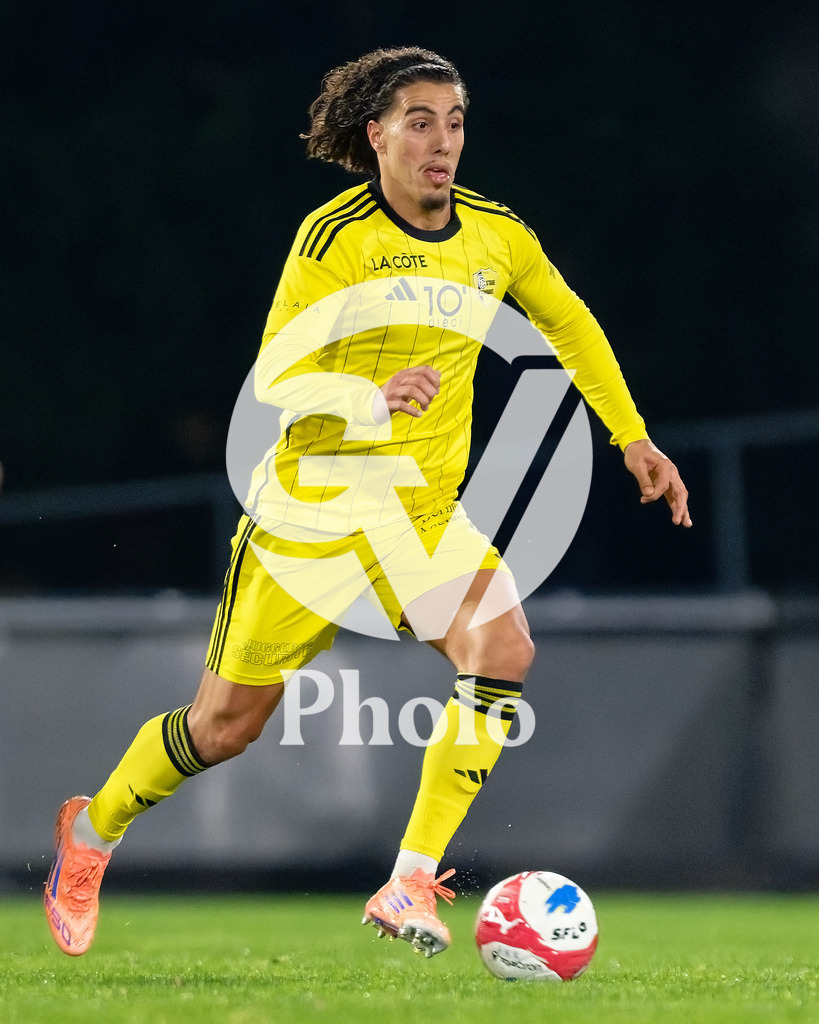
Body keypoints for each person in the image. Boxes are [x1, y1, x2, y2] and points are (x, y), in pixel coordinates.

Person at [44, 46, 691, 959]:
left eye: (454, 122)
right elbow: (276, 373)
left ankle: (409, 881)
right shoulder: (334, 238)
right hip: (312, 517)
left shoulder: (495, 236)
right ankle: (92, 833)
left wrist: (631, 437)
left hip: (420, 519)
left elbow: (569, 322)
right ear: (376, 134)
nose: (441, 142)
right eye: (419, 121)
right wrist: (363, 400)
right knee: (224, 727)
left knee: (502, 646)